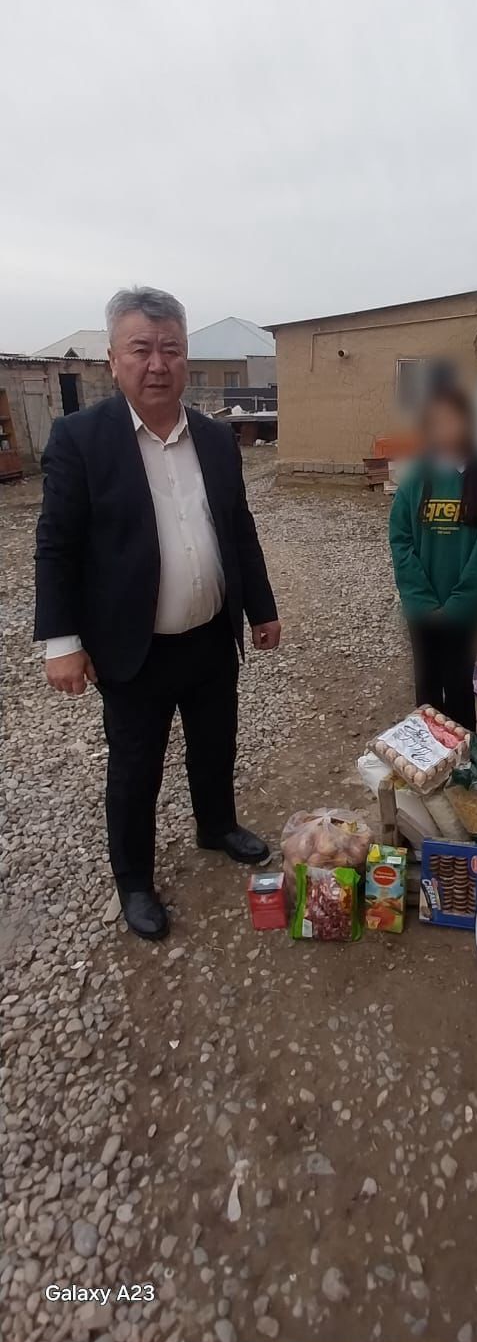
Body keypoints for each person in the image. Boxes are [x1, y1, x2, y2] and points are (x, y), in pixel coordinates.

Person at [34, 286, 281, 942]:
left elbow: (238, 528)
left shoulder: (215, 438)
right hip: (132, 646)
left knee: (215, 742)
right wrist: (61, 641)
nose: (157, 364)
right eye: (140, 349)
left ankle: (216, 825)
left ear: (185, 356)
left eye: (170, 349)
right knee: (135, 767)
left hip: (210, 635)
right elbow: (56, 545)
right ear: (113, 360)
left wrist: (261, 607)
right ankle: (135, 880)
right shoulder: (80, 439)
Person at [388, 385, 477, 731]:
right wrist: (423, 601)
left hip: (464, 610)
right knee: (427, 688)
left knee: (458, 685)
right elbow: (400, 540)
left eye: (452, 420)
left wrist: (458, 605)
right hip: (422, 608)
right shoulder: (416, 477)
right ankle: (429, 755)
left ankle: (464, 757)